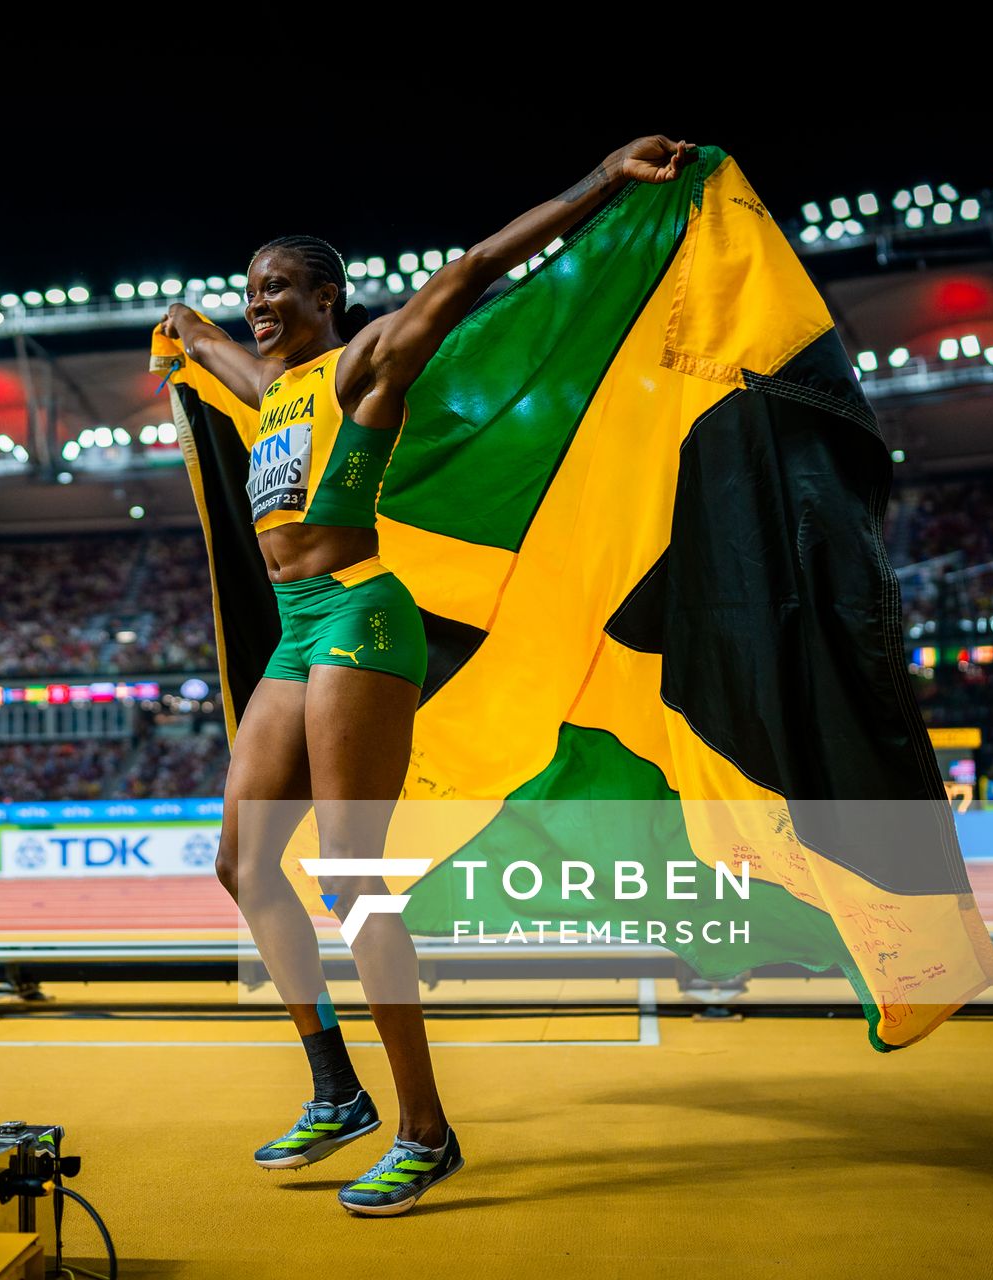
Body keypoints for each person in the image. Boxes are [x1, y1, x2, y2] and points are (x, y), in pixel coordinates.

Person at [159, 135, 696, 1216]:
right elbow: (195, 336)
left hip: (362, 614)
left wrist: (600, 182)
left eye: (279, 287)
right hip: (298, 627)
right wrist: (179, 332)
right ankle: (335, 1089)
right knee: (241, 859)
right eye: (252, 288)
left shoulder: (364, 365)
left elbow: (471, 272)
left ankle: (427, 1128)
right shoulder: (268, 388)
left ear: (329, 297)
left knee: (352, 877)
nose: (258, 301)